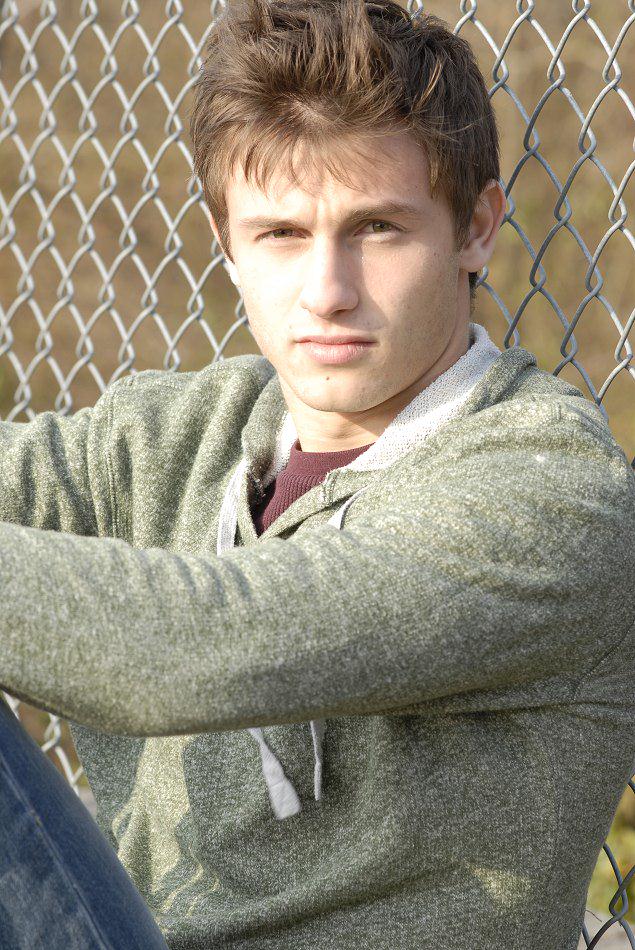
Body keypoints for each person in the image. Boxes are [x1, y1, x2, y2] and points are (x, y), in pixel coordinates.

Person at [0, 1, 633, 948]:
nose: (327, 291)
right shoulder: (172, 434)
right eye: (282, 235)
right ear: (226, 242)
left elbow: (191, 650)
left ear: (475, 228)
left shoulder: (549, 485)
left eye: (375, 228)